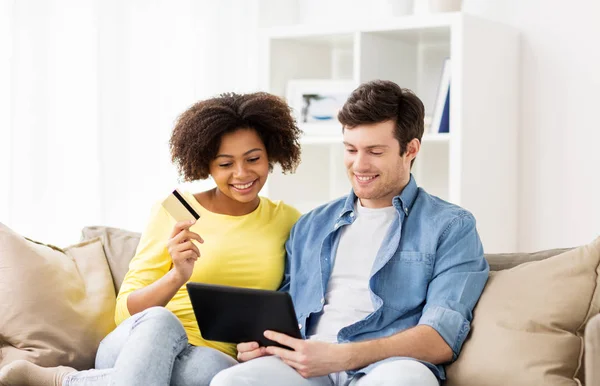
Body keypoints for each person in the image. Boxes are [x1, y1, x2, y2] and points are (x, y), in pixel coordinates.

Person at [0, 92, 303, 386]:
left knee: (206, 372)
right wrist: (176, 276)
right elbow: (125, 313)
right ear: (206, 164)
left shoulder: (288, 220)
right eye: (225, 164)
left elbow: (297, 302)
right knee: (161, 321)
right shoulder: (177, 207)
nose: (241, 173)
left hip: (213, 358)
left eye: (253, 158)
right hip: (136, 343)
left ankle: (64, 380)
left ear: (271, 154)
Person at [210, 80, 490, 386]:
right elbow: (286, 311)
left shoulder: (450, 226)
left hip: (390, 366)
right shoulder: (311, 224)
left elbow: (442, 337)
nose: (359, 164)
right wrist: (262, 344)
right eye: (351, 149)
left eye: (375, 151)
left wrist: (342, 356)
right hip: (305, 366)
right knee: (231, 382)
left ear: (410, 149)